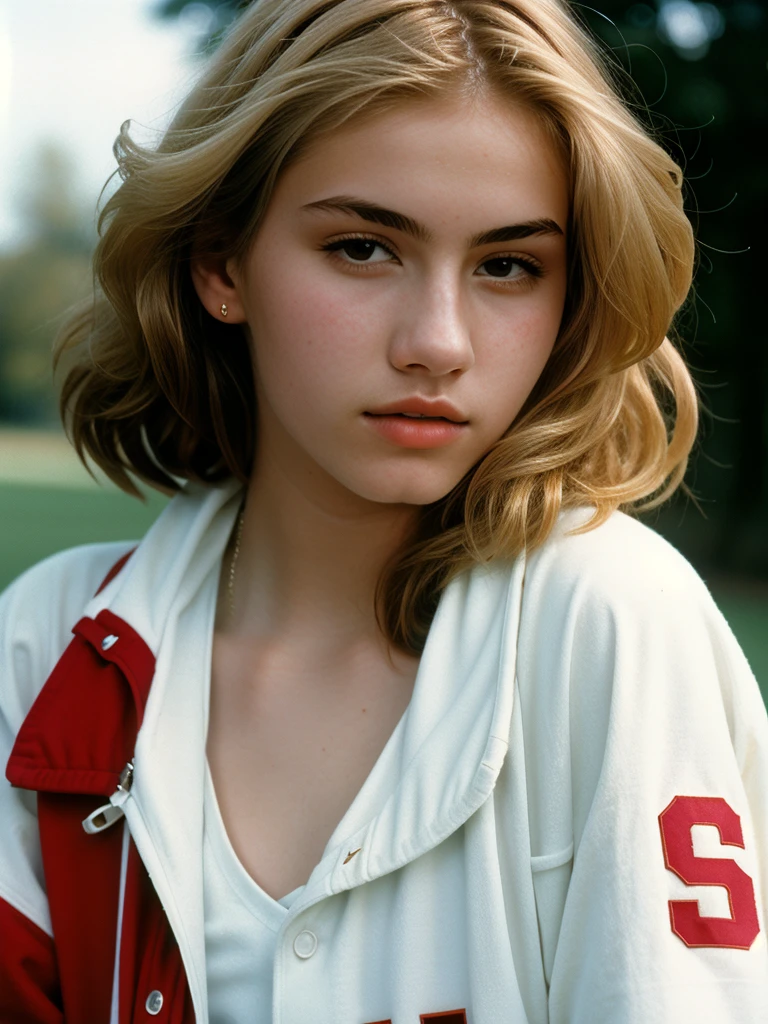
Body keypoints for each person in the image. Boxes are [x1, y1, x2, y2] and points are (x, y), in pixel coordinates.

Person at [1, 0, 766, 1020]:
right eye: (364, 248)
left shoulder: (609, 616)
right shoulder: (49, 641)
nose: (437, 341)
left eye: (508, 266)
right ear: (221, 264)